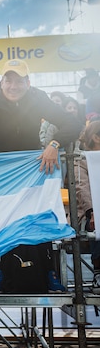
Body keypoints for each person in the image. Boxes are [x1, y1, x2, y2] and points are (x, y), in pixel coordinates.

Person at [0, 59, 83, 293]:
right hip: (2, 173)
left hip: (33, 169)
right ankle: (2, 272)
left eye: (19, 81)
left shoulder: (37, 98)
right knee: (3, 221)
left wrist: (54, 144)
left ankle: (48, 272)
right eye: (9, 80)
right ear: (2, 82)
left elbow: (72, 123)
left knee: (39, 218)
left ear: (28, 82)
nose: (13, 86)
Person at [75, 121, 100, 294]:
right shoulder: (81, 161)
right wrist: (93, 212)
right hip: (88, 213)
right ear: (96, 137)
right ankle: (98, 272)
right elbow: (82, 190)